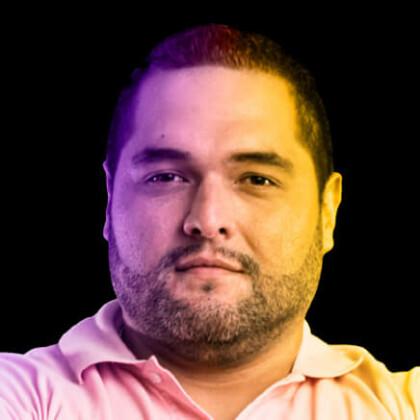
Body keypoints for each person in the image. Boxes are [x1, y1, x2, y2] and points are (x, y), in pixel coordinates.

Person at [0, 23, 418, 420]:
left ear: (328, 212)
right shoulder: (17, 391)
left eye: (257, 179)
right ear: (109, 202)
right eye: (165, 177)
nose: (207, 219)